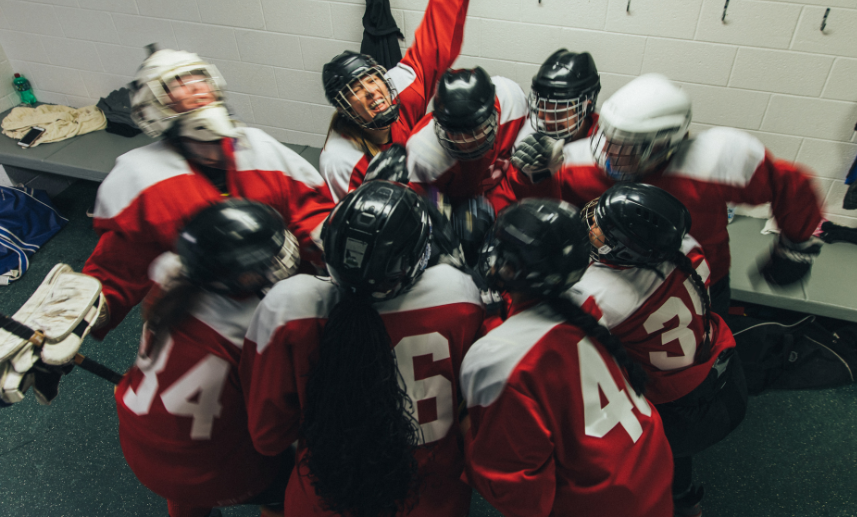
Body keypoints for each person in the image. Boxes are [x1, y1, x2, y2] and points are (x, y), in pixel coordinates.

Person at [241, 180, 484, 517]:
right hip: (432, 495)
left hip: (328, 493)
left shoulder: (288, 307)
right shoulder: (458, 293)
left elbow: (269, 436)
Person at [508, 72, 824, 318]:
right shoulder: (581, 163)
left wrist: (795, 243)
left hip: (699, 276)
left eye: (627, 147)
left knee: (708, 348)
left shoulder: (717, 160)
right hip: (616, 279)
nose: (610, 153)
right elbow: (545, 211)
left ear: (668, 142)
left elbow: (792, 185)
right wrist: (532, 175)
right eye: (609, 139)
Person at [82, 49, 334, 340]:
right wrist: (88, 311)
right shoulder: (142, 179)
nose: (194, 88)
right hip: (212, 321)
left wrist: (335, 246)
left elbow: (309, 211)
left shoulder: (259, 148)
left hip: (289, 304)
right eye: (177, 84)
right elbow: (119, 266)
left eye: (198, 78)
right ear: (152, 105)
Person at [460, 198, 674, 517]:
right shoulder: (586, 302)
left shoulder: (497, 359)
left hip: (602, 503)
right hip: (649, 471)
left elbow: (518, 494)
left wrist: (465, 431)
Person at [569, 183, 748, 517]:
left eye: (602, 228)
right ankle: (684, 500)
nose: (592, 226)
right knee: (676, 456)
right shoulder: (688, 246)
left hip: (677, 408)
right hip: (723, 372)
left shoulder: (602, 294)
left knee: (633, 460)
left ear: (627, 250)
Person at [115, 200, 300, 517]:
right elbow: (271, 431)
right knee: (287, 485)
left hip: (139, 446)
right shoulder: (259, 323)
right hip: (211, 472)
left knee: (190, 468)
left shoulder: (168, 273)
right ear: (240, 278)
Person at [319, 0, 471, 201]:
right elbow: (347, 228)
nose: (372, 92)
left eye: (372, 80)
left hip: (421, 194)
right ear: (345, 110)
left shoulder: (397, 90)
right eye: (357, 92)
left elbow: (433, 47)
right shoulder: (339, 160)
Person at [405, 67, 531, 210]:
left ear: (492, 113)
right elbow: (420, 206)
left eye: (472, 129)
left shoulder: (512, 101)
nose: (464, 141)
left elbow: (521, 168)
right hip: (457, 206)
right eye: (455, 131)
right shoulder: (423, 151)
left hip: (500, 189)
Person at [528, 48, 601, 142]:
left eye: (558, 113)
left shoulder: (603, 146)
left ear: (586, 106)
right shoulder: (527, 133)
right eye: (542, 107)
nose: (546, 120)